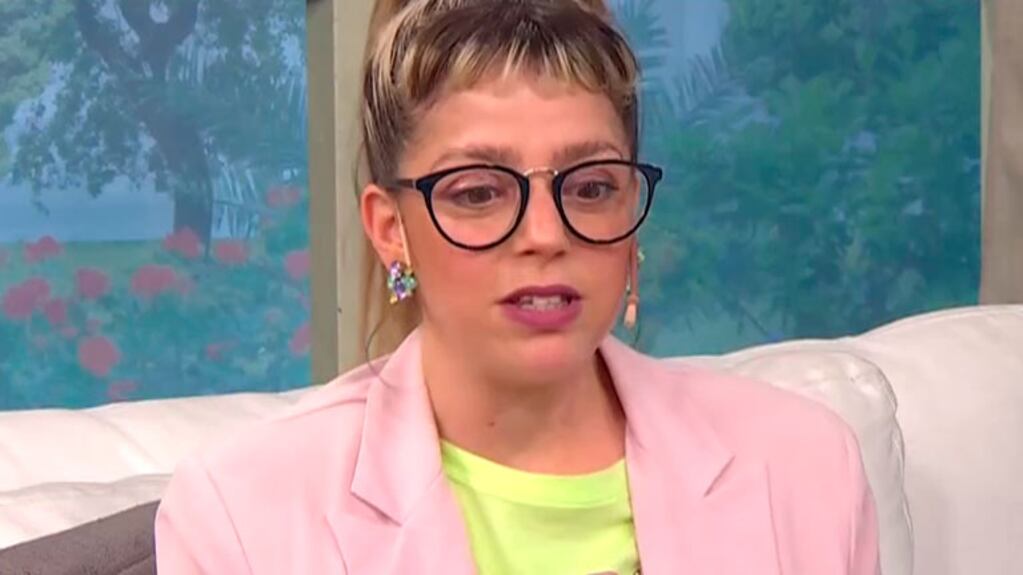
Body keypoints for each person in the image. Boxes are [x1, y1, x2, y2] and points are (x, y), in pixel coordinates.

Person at [154, 0, 880, 573]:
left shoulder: (803, 465)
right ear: (390, 228)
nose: (544, 233)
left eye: (590, 186)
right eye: (477, 192)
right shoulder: (243, 513)